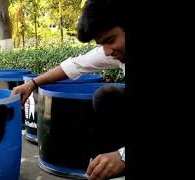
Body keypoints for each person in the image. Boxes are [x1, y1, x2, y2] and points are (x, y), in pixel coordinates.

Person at [11, 0, 125, 179]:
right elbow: (75, 66)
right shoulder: (116, 52)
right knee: (106, 96)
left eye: (110, 40)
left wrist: (123, 157)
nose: (107, 51)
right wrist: (32, 84)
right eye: (101, 44)